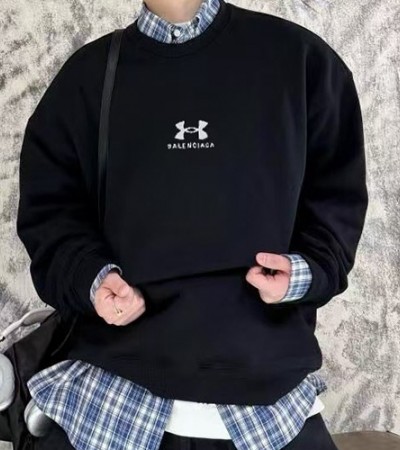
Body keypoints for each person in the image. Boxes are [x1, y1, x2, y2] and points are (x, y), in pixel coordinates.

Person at [16, 0, 368, 449]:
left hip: (270, 401)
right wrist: (93, 279)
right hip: (111, 396)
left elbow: (337, 203)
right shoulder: (88, 76)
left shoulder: (301, 61)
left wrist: (302, 272)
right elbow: (50, 215)